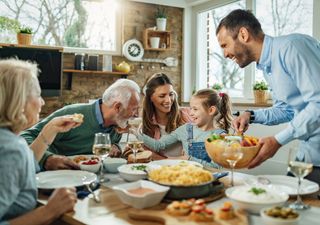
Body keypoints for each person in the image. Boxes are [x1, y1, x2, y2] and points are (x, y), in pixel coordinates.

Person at [216, 9, 320, 183]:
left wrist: (278, 141)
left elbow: (318, 102)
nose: (225, 54)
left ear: (243, 34)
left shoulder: (292, 47)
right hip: (308, 156)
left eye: (225, 45)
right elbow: (286, 110)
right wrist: (250, 115)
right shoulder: (267, 66)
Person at [0, 59, 77, 225]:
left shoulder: (8, 140)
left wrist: (50, 130)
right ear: (19, 100)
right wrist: (50, 211)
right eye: (38, 95)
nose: (42, 102)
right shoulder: (10, 148)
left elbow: (22, 169)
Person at [21, 78, 140, 171]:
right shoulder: (73, 114)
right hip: (51, 178)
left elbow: (105, 151)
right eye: (134, 109)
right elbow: (24, 137)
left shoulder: (117, 125)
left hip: (86, 180)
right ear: (117, 107)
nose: (136, 115)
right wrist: (47, 159)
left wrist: (116, 147)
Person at [138, 88, 233, 167]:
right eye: (190, 108)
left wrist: (188, 159)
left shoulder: (220, 136)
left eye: (195, 109)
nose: (191, 113)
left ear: (211, 110)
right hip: (185, 175)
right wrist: (136, 133)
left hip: (208, 179)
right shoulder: (186, 129)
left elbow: (216, 167)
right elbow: (158, 145)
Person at [141, 73, 192, 159]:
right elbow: (149, 156)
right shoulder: (145, 127)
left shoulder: (188, 114)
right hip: (162, 169)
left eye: (171, 94)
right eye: (162, 96)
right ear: (150, 98)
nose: (168, 100)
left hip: (187, 169)